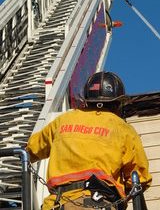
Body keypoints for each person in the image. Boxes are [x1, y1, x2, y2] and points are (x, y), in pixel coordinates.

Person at [26, 71, 152, 210]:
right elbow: (140, 179)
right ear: (118, 103)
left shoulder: (64, 120)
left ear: (86, 98)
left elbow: (31, 150)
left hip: (57, 204)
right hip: (99, 203)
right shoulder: (123, 129)